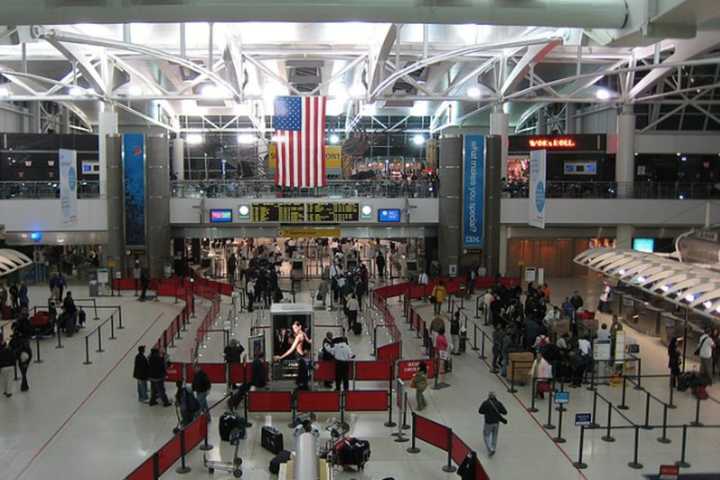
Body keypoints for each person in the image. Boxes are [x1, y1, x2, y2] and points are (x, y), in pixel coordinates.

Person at [478, 392, 507, 456]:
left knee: (486, 435)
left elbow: (480, 411)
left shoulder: (485, 403)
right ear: (495, 397)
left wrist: (487, 412)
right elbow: (505, 412)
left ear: (488, 397)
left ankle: (490, 449)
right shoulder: (499, 403)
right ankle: (493, 448)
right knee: (494, 435)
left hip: (488, 422)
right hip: (496, 423)